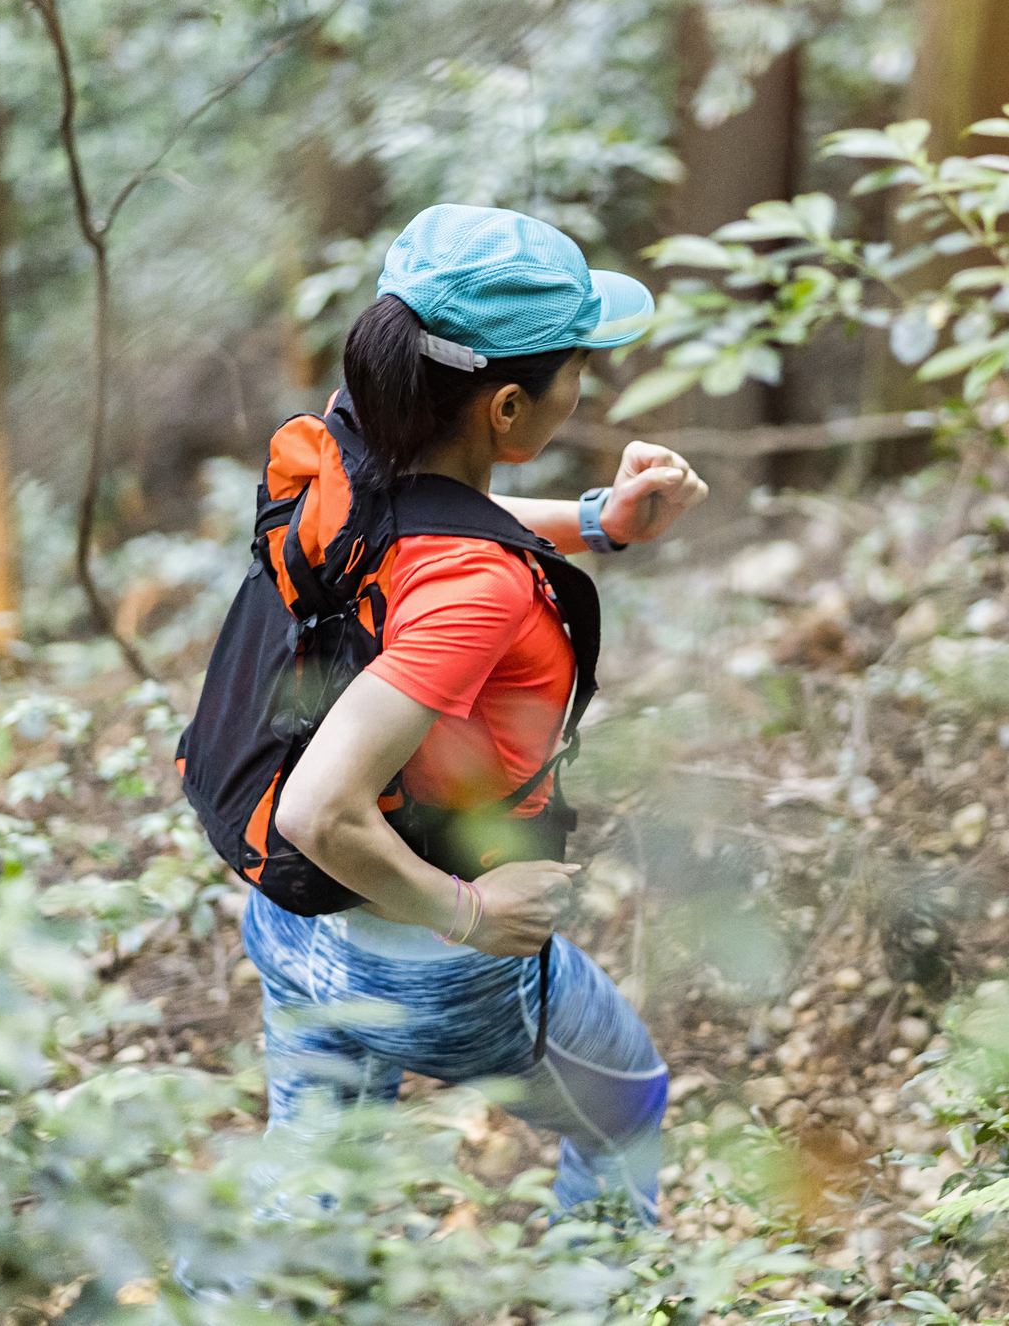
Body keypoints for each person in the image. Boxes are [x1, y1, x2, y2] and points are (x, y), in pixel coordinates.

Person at [242, 204, 708, 1222]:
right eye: (576, 365)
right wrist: (471, 914)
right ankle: (605, 1294)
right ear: (503, 407)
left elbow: (438, 521)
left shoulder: (350, 441)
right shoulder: (477, 589)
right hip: (430, 958)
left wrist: (598, 520)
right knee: (625, 1106)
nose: (584, 384)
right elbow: (319, 808)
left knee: (307, 1204)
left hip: (292, 921)